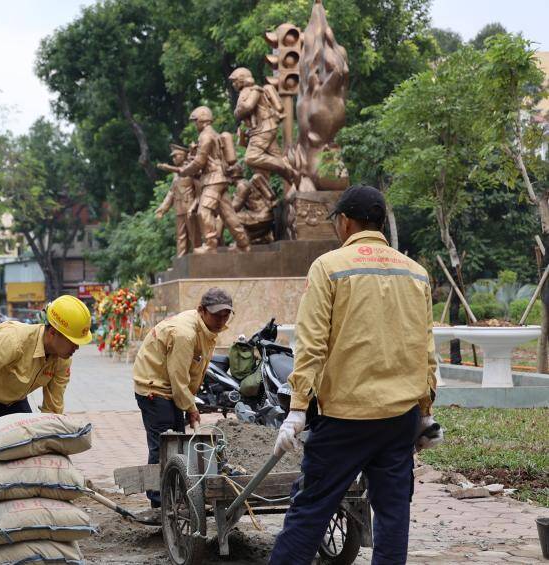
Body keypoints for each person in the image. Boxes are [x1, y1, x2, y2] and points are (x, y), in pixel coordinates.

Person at [268, 186, 441, 564]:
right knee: (394, 514)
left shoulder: (329, 267)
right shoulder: (416, 273)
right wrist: (425, 413)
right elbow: (425, 350)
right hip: (398, 419)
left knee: (311, 509)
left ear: (345, 222)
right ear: (379, 223)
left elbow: (311, 345)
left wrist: (297, 409)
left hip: (343, 418)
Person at [0, 294, 93, 535]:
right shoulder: (14, 341)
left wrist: (57, 457)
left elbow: (52, 411)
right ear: (52, 333)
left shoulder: (61, 360)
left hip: (14, 400)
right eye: (72, 341)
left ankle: (20, 516)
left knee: (28, 453)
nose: (77, 347)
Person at [131, 288, 233, 510]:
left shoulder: (206, 329)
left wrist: (189, 403)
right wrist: (191, 407)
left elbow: (189, 374)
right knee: (164, 444)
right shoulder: (185, 333)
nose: (221, 320)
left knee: (177, 443)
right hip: (154, 387)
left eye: (226, 315)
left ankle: (175, 493)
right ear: (201, 310)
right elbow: (178, 379)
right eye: (216, 315)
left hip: (171, 387)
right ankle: (160, 502)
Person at [174, 107, 250, 253]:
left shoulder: (205, 136)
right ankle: (243, 243)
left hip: (213, 179)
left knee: (203, 211)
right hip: (219, 178)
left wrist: (184, 171)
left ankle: (210, 244)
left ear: (203, 120)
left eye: (195, 121)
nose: (195, 124)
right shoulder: (213, 134)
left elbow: (199, 162)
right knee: (228, 214)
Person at [155, 144, 199, 257]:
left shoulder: (191, 169)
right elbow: (171, 193)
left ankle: (199, 256)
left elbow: (199, 190)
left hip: (190, 207)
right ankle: (181, 259)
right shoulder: (176, 175)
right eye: (173, 157)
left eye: (176, 156)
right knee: (181, 236)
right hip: (179, 209)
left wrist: (194, 206)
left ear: (184, 155)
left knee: (194, 235)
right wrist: (162, 209)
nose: (174, 159)